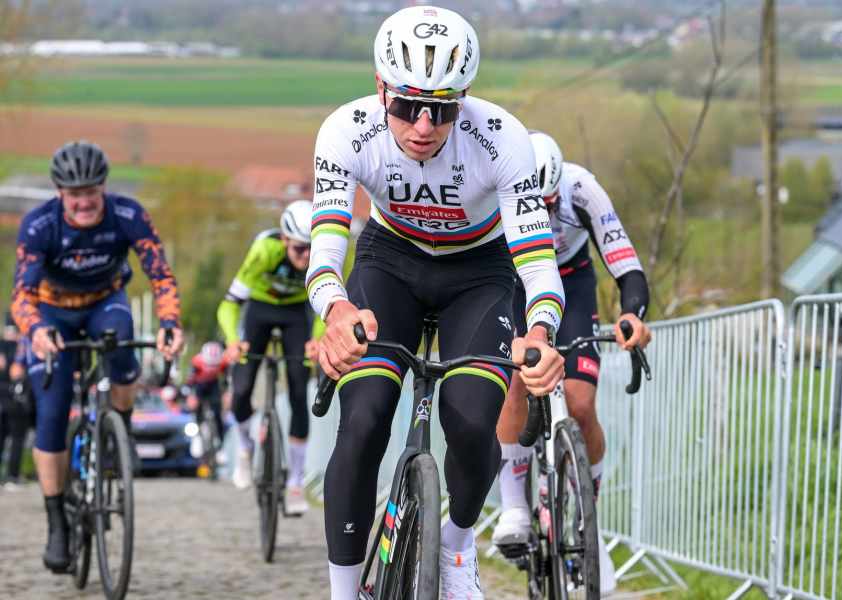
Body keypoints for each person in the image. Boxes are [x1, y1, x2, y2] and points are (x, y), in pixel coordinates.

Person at [308, 6, 566, 599]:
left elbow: (535, 257)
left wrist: (540, 330)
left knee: (475, 421)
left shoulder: (502, 138)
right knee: (365, 418)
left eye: (443, 108)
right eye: (405, 106)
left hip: (479, 272)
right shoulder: (344, 131)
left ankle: (454, 544)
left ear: (465, 98)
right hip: (388, 261)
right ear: (380, 89)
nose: (423, 125)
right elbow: (326, 248)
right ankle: (344, 593)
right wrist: (336, 310)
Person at [11, 140, 184, 573]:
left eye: (91, 191)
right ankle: (56, 522)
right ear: (59, 194)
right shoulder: (39, 226)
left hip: (106, 302)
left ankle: (118, 430)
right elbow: (21, 296)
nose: (85, 201)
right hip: (53, 313)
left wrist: (169, 324)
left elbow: (160, 275)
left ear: (103, 188)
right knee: (51, 412)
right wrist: (35, 330)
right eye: (75, 194)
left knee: (122, 345)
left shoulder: (127, 214)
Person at [492, 131, 653, 592]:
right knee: (516, 383)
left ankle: (589, 524)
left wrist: (632, 315)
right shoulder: (497, 190)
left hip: (573, 280)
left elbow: (626, 264)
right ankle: (515, 508)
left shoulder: (583, 189)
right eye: (535, 205)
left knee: (581, 406)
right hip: (516, 280)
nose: (544, 211)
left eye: (551, 201)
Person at [216, 200, 320, 515]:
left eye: (310, 249)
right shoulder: (263, 253)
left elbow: (327, 306)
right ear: (285, 241)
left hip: (296, 313)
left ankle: (296, 483)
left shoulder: (323, 254)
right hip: (260, 309)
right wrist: (234, 341)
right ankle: (246, 450)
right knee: (243, 388)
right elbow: (229, 304)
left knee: (301, 390)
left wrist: (317, 339)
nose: (306, 256)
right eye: (300, 249)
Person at [0, 314, 32, 488]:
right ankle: (12, 475)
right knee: (17, 438)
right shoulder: (21, 346)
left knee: (4, 436)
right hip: (16, 398)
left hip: (6, 396)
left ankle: (10, 475)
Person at [183, 340, 229, 458]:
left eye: (214, 365)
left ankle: (220, 444)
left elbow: (227, 380)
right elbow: (189, 381)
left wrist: (226, 393)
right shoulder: (196, 362)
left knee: (218, 412)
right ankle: (197, 436)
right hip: (199, 385)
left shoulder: (224, 361)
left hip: (214, 384)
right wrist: (190, 395)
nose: (211, 367)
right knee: (195, 409)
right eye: (209, 364)